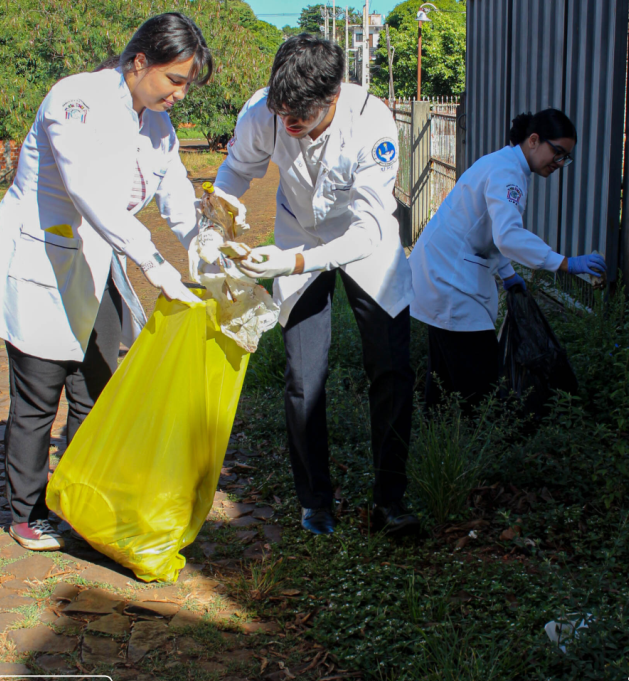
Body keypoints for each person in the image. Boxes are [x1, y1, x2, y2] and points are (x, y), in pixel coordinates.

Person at [0, 12, 211, 550]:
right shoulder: (76, 101)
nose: (180, 94)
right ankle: (26, 513)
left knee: (97, 388)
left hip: (99, 263)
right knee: (37, 396)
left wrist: (207, 254)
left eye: (186, 84)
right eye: (176, 80)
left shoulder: (158, 124)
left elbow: (178, 197)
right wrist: (157, 267)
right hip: (45, 261)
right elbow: (90, 192)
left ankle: (76, 496)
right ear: (140, 62)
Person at [213, 34, 416, 536]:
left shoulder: (373, 123)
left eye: (300, 116)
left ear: (335, 95)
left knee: (391, 370)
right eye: (282, 112)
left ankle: (389, 501)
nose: (289, 125)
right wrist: (215, 222)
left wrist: (293, 262)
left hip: (364, 240)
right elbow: (237, 170)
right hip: (298, 228)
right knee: (304, 378)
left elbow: (368, 232)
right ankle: (315, 500)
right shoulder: (264, 110)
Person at [408, 108, 607, 408]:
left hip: (441, 272)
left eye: (565, 157)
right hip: (450, 282)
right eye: (558, 153)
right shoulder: (508, 173)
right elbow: (507, 236)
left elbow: (485, 231)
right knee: (481, 389)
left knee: (445, 379)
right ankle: (475, 448)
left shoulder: (503, 164)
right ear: (534, 140)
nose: (560, 163)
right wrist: (563, 262)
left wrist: (507, 273)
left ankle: (438, 443)